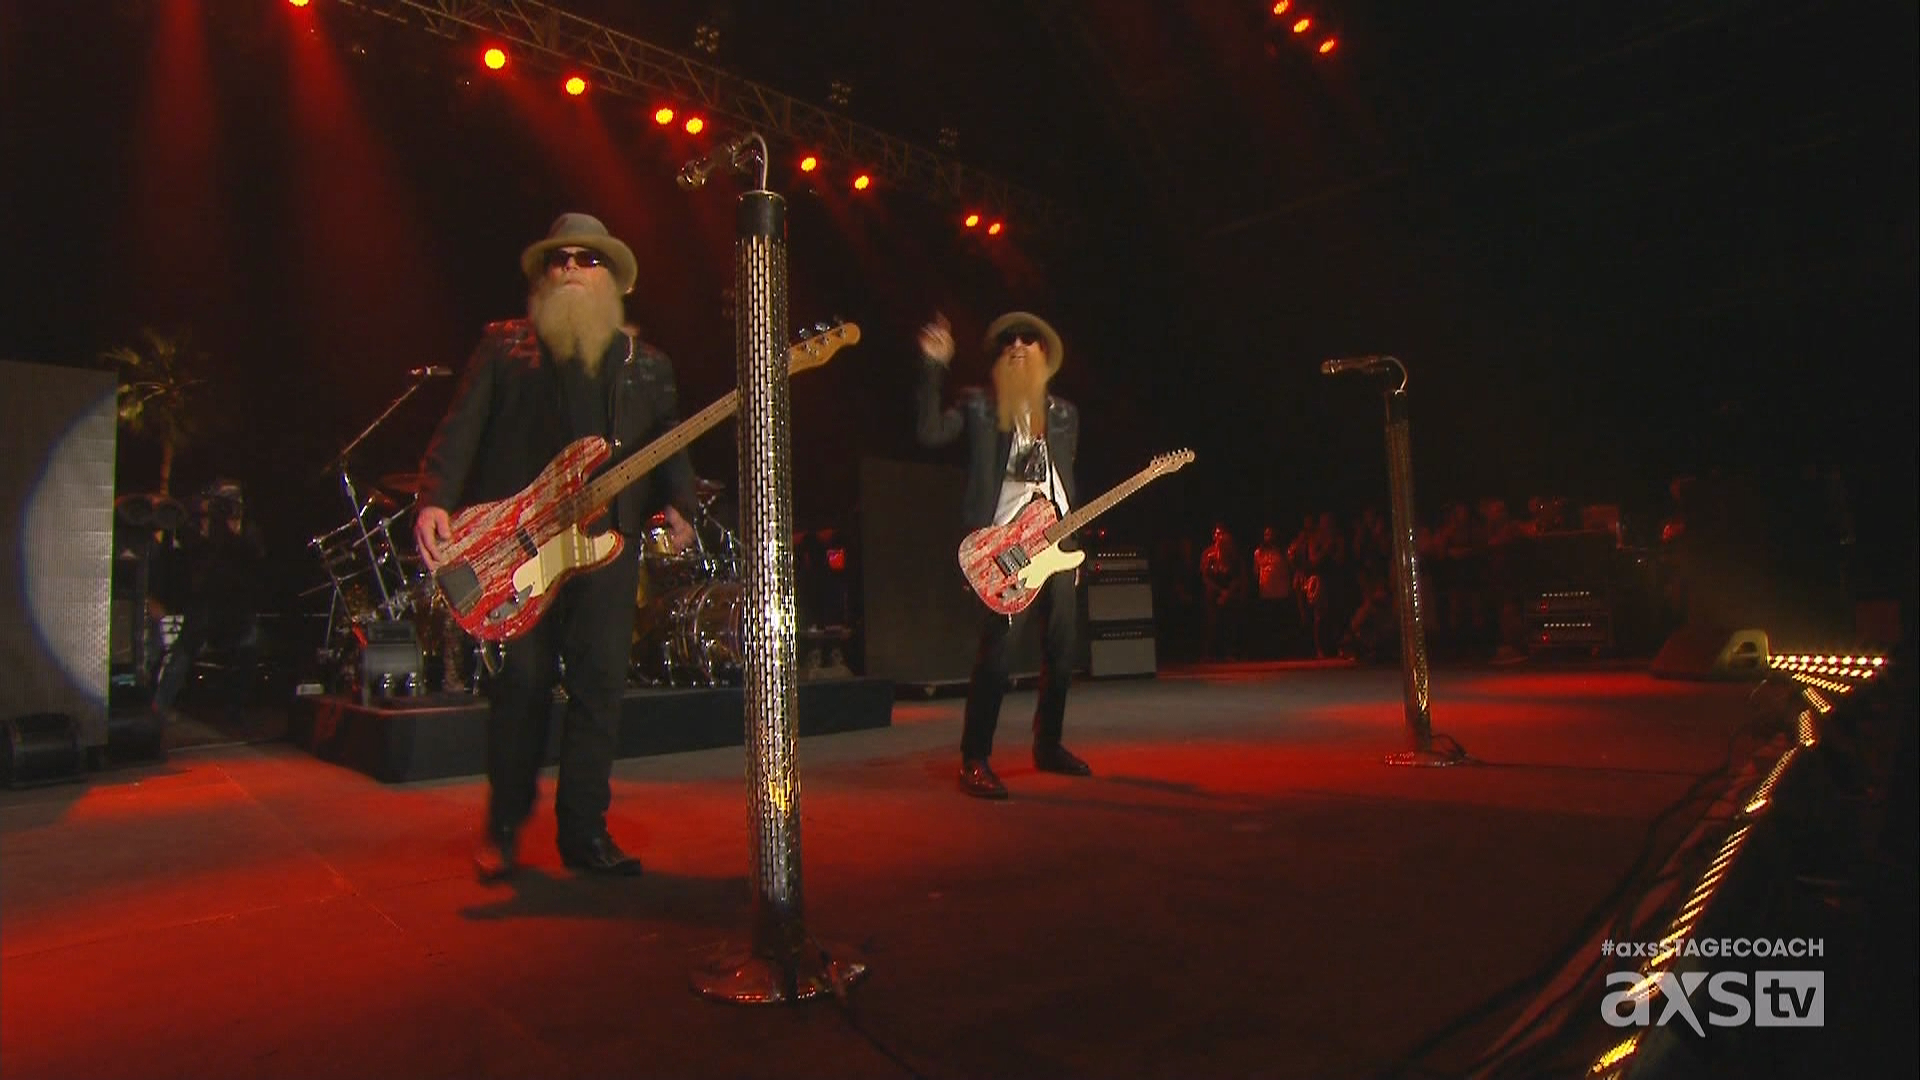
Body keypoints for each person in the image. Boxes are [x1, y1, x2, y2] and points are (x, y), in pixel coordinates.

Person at [413, 212, 698, 879]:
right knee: (523, 685)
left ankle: (585, 833)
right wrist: (434, 498)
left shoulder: (646, 366)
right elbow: (461, 427)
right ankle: (503, 827)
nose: (569, 267)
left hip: (607, 543)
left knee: (600, 687)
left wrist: (680, 505)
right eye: (558, 258)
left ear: (613, 278)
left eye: (585, 258)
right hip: (523, 547)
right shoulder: (505, 346)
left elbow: (669, 441)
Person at [914, 310, 1091, 799]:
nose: (1017, 345)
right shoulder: (980, 407)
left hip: (1056, 543)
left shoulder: (1063, 414)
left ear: (1044, 353)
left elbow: (1064, 479)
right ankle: (975, 758)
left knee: (1062, 652)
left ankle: (1048, 745)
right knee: (997, 655)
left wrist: (1071, 542)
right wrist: (933, 367)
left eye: (1027, 338)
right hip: (1004, 546)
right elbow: (929, 431)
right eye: (1008, 339)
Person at [150, 478, 266, 721]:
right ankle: (159, 705)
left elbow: (255, 556)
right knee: (184, 651)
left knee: (250, 646)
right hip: (206, 603)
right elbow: (192, 552)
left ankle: (235, 709)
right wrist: (205, 520)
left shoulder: (247, 529)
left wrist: (236, 530)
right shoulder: (204, 525)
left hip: (237, 605)